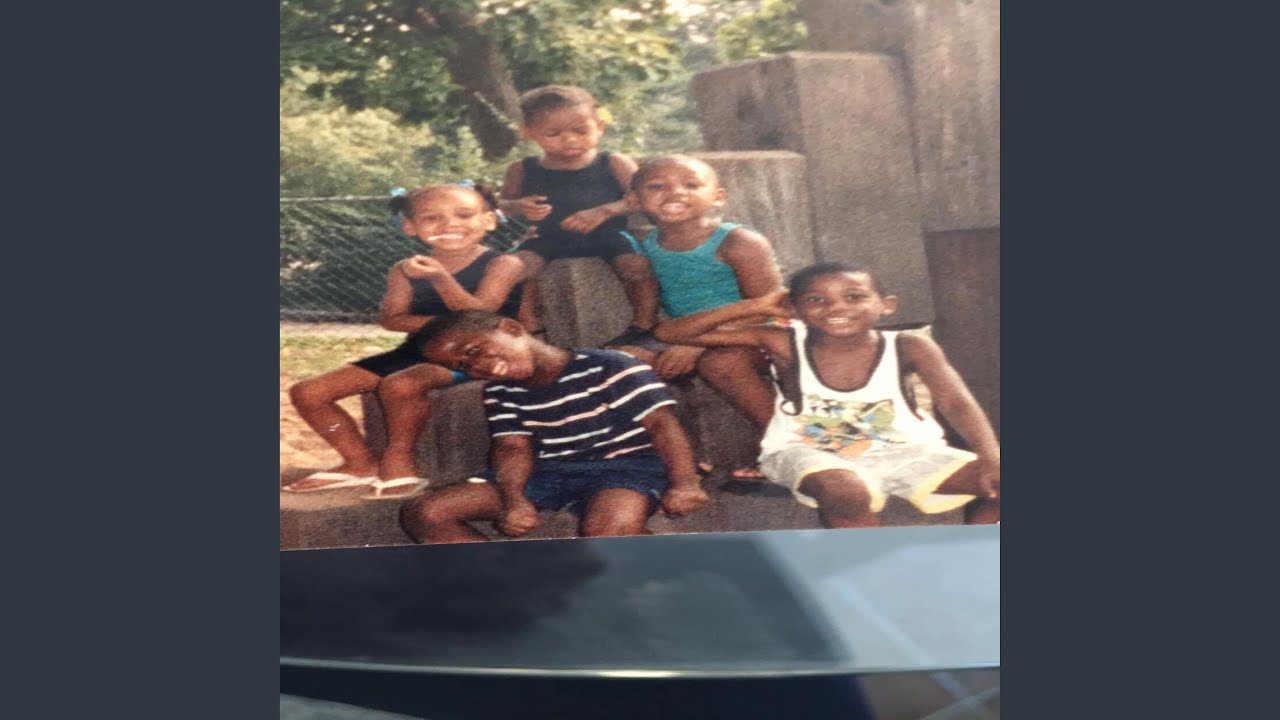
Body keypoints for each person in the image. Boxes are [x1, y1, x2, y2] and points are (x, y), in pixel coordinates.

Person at [655, 262, 1000, 526]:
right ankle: (872, 572)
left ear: (886, 305)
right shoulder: (784, 342)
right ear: (794, 309)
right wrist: (758, 306)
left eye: (854, 297)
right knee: (846, 490)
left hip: (905, 451)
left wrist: (990, 454)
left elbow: (956, 402)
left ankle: (977, 557)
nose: (836, 308)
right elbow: (672, 332)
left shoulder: (909, 345)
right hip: (809, 453)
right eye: (816, 300)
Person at [284, 184, 526, 500]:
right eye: (432, 218)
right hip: (416, 351)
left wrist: (440, 279)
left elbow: (480, 315)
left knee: (400, 385)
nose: (449, 224)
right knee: (308, 392)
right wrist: (444, 324)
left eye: (464, 215)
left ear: (490, 220)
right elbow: (392, 319)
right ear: (410, 227)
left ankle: (399, 460)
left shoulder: (504, 264)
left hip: (478, 356)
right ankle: (359, 463)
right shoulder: (405, 269)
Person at [399, 310, 710, 543]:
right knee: (426, 511)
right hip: (548, 471)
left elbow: (662, 425)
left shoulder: (611, 365)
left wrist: (684, 483)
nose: (477, 366)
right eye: (463, 366)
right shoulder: (500, 391)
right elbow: (512, 447)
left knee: (609, 529)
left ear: (511, 328)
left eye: (473, 351)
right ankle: (503, 589)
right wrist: (514, 500)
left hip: (626, 466)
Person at [623, 154, 785, 476]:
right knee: (619, 362)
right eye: (657, 187)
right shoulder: (645, 244)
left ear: (718, 197)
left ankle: (786, 444)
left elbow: (770, 306)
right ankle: (677, 455)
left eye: (691, 185)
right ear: (635, 200)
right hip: (686, 332)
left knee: (722, 363)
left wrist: (699, 345)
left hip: (751, 330)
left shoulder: (738, 242)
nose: (675, 193)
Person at [498, 84, 660, 351]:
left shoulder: (613, 162)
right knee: (512, 267)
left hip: (608, 234)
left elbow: (643, 198)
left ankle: (643, 325)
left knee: (637, 266)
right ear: (527, 132)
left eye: (580, 131)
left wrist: (605, 211)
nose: (570, 140)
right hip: (548, 237)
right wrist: (518, 207)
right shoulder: (522, 169)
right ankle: (530, 323)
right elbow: (503, 205)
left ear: (600, 127)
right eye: (554, 134)